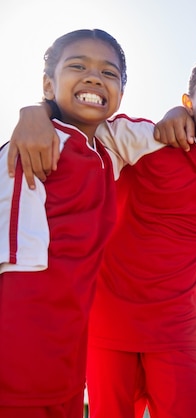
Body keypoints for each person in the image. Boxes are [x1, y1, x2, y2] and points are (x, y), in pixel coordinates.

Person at [7, 52, 196, 418]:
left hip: (179, 334)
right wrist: (34, 112)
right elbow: (83, 118)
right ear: (188, 101)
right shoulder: (143, 140)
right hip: (105, 326)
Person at [0, 29, 126, 418]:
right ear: (48, 84)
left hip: (68, 344)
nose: (93, 77)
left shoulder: (107, 150)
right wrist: (35, 111)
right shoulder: (34, 144)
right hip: (21, 337)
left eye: (109, 72)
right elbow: (13, 259)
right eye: (78, 66)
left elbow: (157, 134)